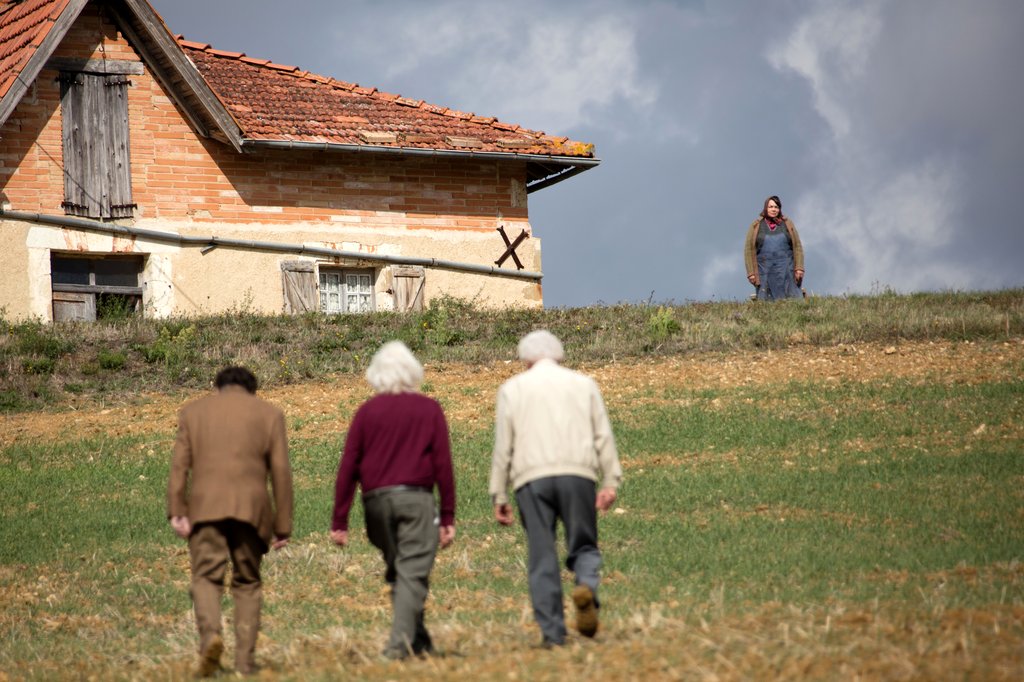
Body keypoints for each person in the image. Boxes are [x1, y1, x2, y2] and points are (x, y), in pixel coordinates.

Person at [489, 330, 623, 647]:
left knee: (542, 554)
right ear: (559, 355)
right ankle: (586, 585)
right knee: (584, 545)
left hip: (531, 480)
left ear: (526, 360)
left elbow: (503, 446)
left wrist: (499, 492)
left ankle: (552, 633)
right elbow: (602, 435)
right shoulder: (584, 384)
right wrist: (610, 480)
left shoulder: (512, 389)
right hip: (578, 476)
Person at [330, 341, 456, 660]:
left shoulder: (366, 412)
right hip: (415, 500)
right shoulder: (429, 409)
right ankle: (397, 648)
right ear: (413, 371)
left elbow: (348, 465)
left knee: (401, 570)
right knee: (412, 572)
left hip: (375, 503)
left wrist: (340, 521)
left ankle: (420, 641)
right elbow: (443, 465)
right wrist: (448, 515)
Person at [167, 366, 293, 677]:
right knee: (247, 583)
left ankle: (210, 636)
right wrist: (282, 525)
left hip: (205, 510)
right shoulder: (270, 414)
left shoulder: (193, 413)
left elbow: (179, 468)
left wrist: (177, 510)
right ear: (252, 389)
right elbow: (280, 472)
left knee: (206, 578)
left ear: (218, 386)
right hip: (252, 511)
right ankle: (245, 662)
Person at [744, 195, 805, 300]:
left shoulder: (787, 223)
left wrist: (799, 267)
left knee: (793, 300)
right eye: (771, 207)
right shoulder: (756, 226)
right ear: (765, 208)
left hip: (787, 269)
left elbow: (797, 246)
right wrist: (751, 273)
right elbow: (748, 249)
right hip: (764, 270)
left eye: (776, 207)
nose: (774, 209)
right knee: (766, 302)